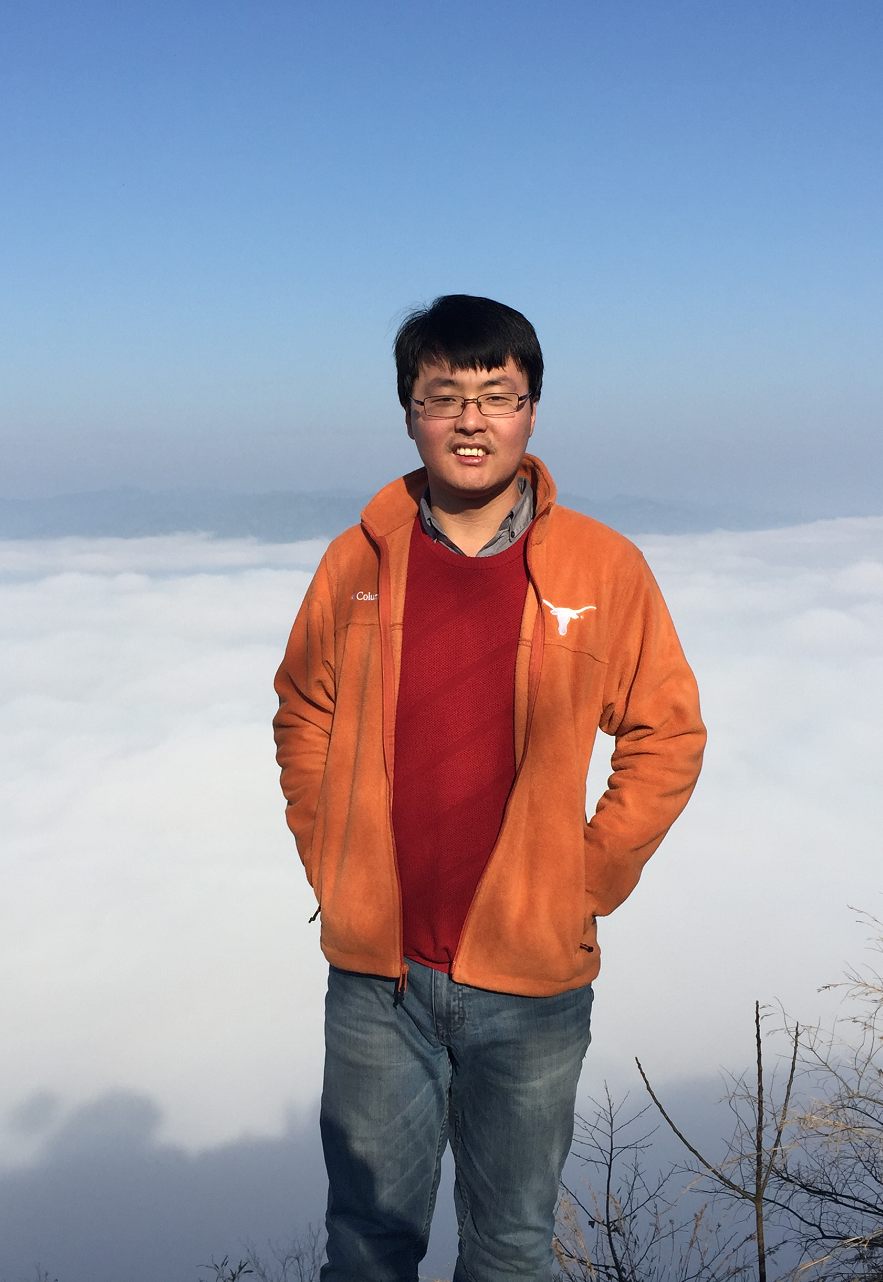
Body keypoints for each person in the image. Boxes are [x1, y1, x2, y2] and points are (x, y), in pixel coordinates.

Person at [273, 294, 706, 1282]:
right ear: (410, 413)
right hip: (378, 977)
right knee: (366, 1248)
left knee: (510, 1253)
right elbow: (304, 712)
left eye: (497, 396)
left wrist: (583, 878)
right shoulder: (357, 561)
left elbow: (666, 733)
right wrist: (331, 860)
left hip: (531, 983)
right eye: (444, 396)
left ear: (531, 412)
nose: (471, 420)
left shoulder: (601, 566)